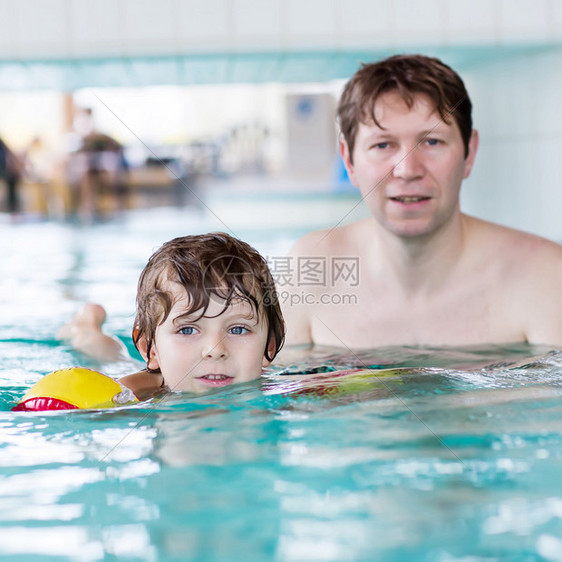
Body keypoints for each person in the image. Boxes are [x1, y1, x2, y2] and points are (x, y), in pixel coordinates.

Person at [283, 54, 562, 349]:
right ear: (349, 160)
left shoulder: (544, 276)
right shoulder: (313, 268)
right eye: (382, 145)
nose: (408, 170)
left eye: (432, 142)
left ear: (470, 152)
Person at [58, 233, 285, 400]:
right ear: (150, 349)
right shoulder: (130, 393)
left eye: (238, 329)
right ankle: (86, 325)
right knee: (107, 354)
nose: (215, 350)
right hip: (148, 376)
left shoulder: (281, 389)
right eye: (187, 330)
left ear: (270, 346)